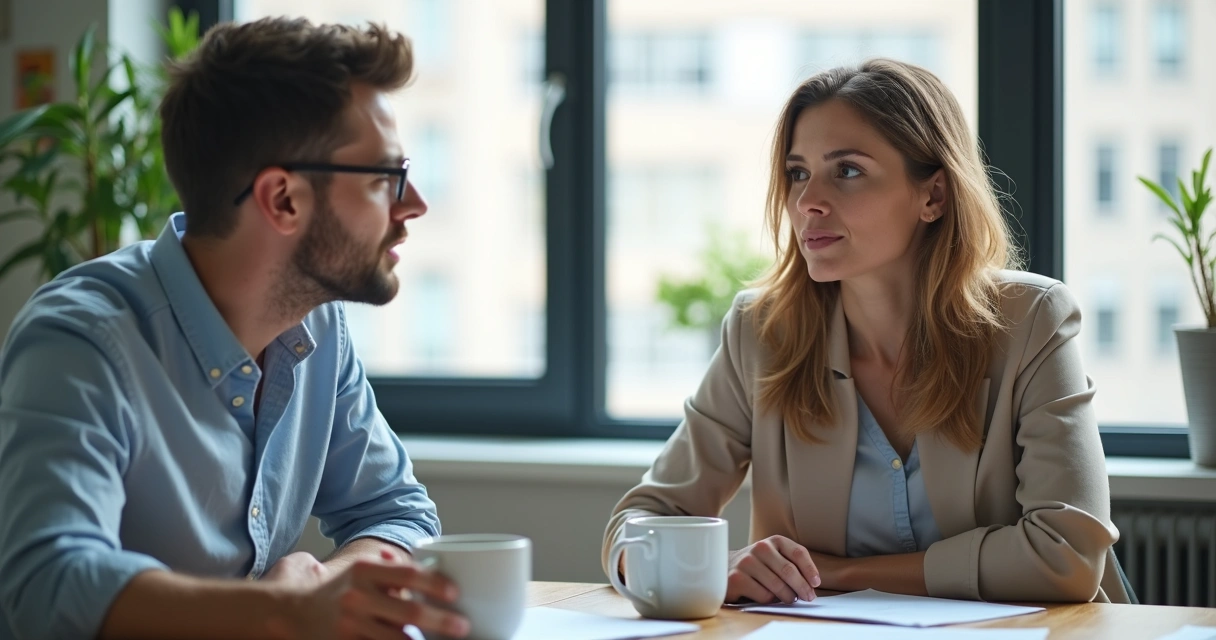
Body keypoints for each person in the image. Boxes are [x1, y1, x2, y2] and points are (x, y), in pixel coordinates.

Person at [0, 17, 472, 640]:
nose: (414, 205)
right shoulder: (83, 340)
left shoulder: (316, 327)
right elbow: (48, 584)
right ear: (282, 200)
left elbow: (396, 511)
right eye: (387, 177)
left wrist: (333, 593)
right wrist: (287, 614)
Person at [603, 59, 1130, 606]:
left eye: (847, 170)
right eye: (797, 172)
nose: (808, 202)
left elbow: (1064, 557)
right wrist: (713, 567)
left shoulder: (1031, 320)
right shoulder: (762, 332)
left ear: (934, 197)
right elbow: (638, 524)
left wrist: (844, 574)